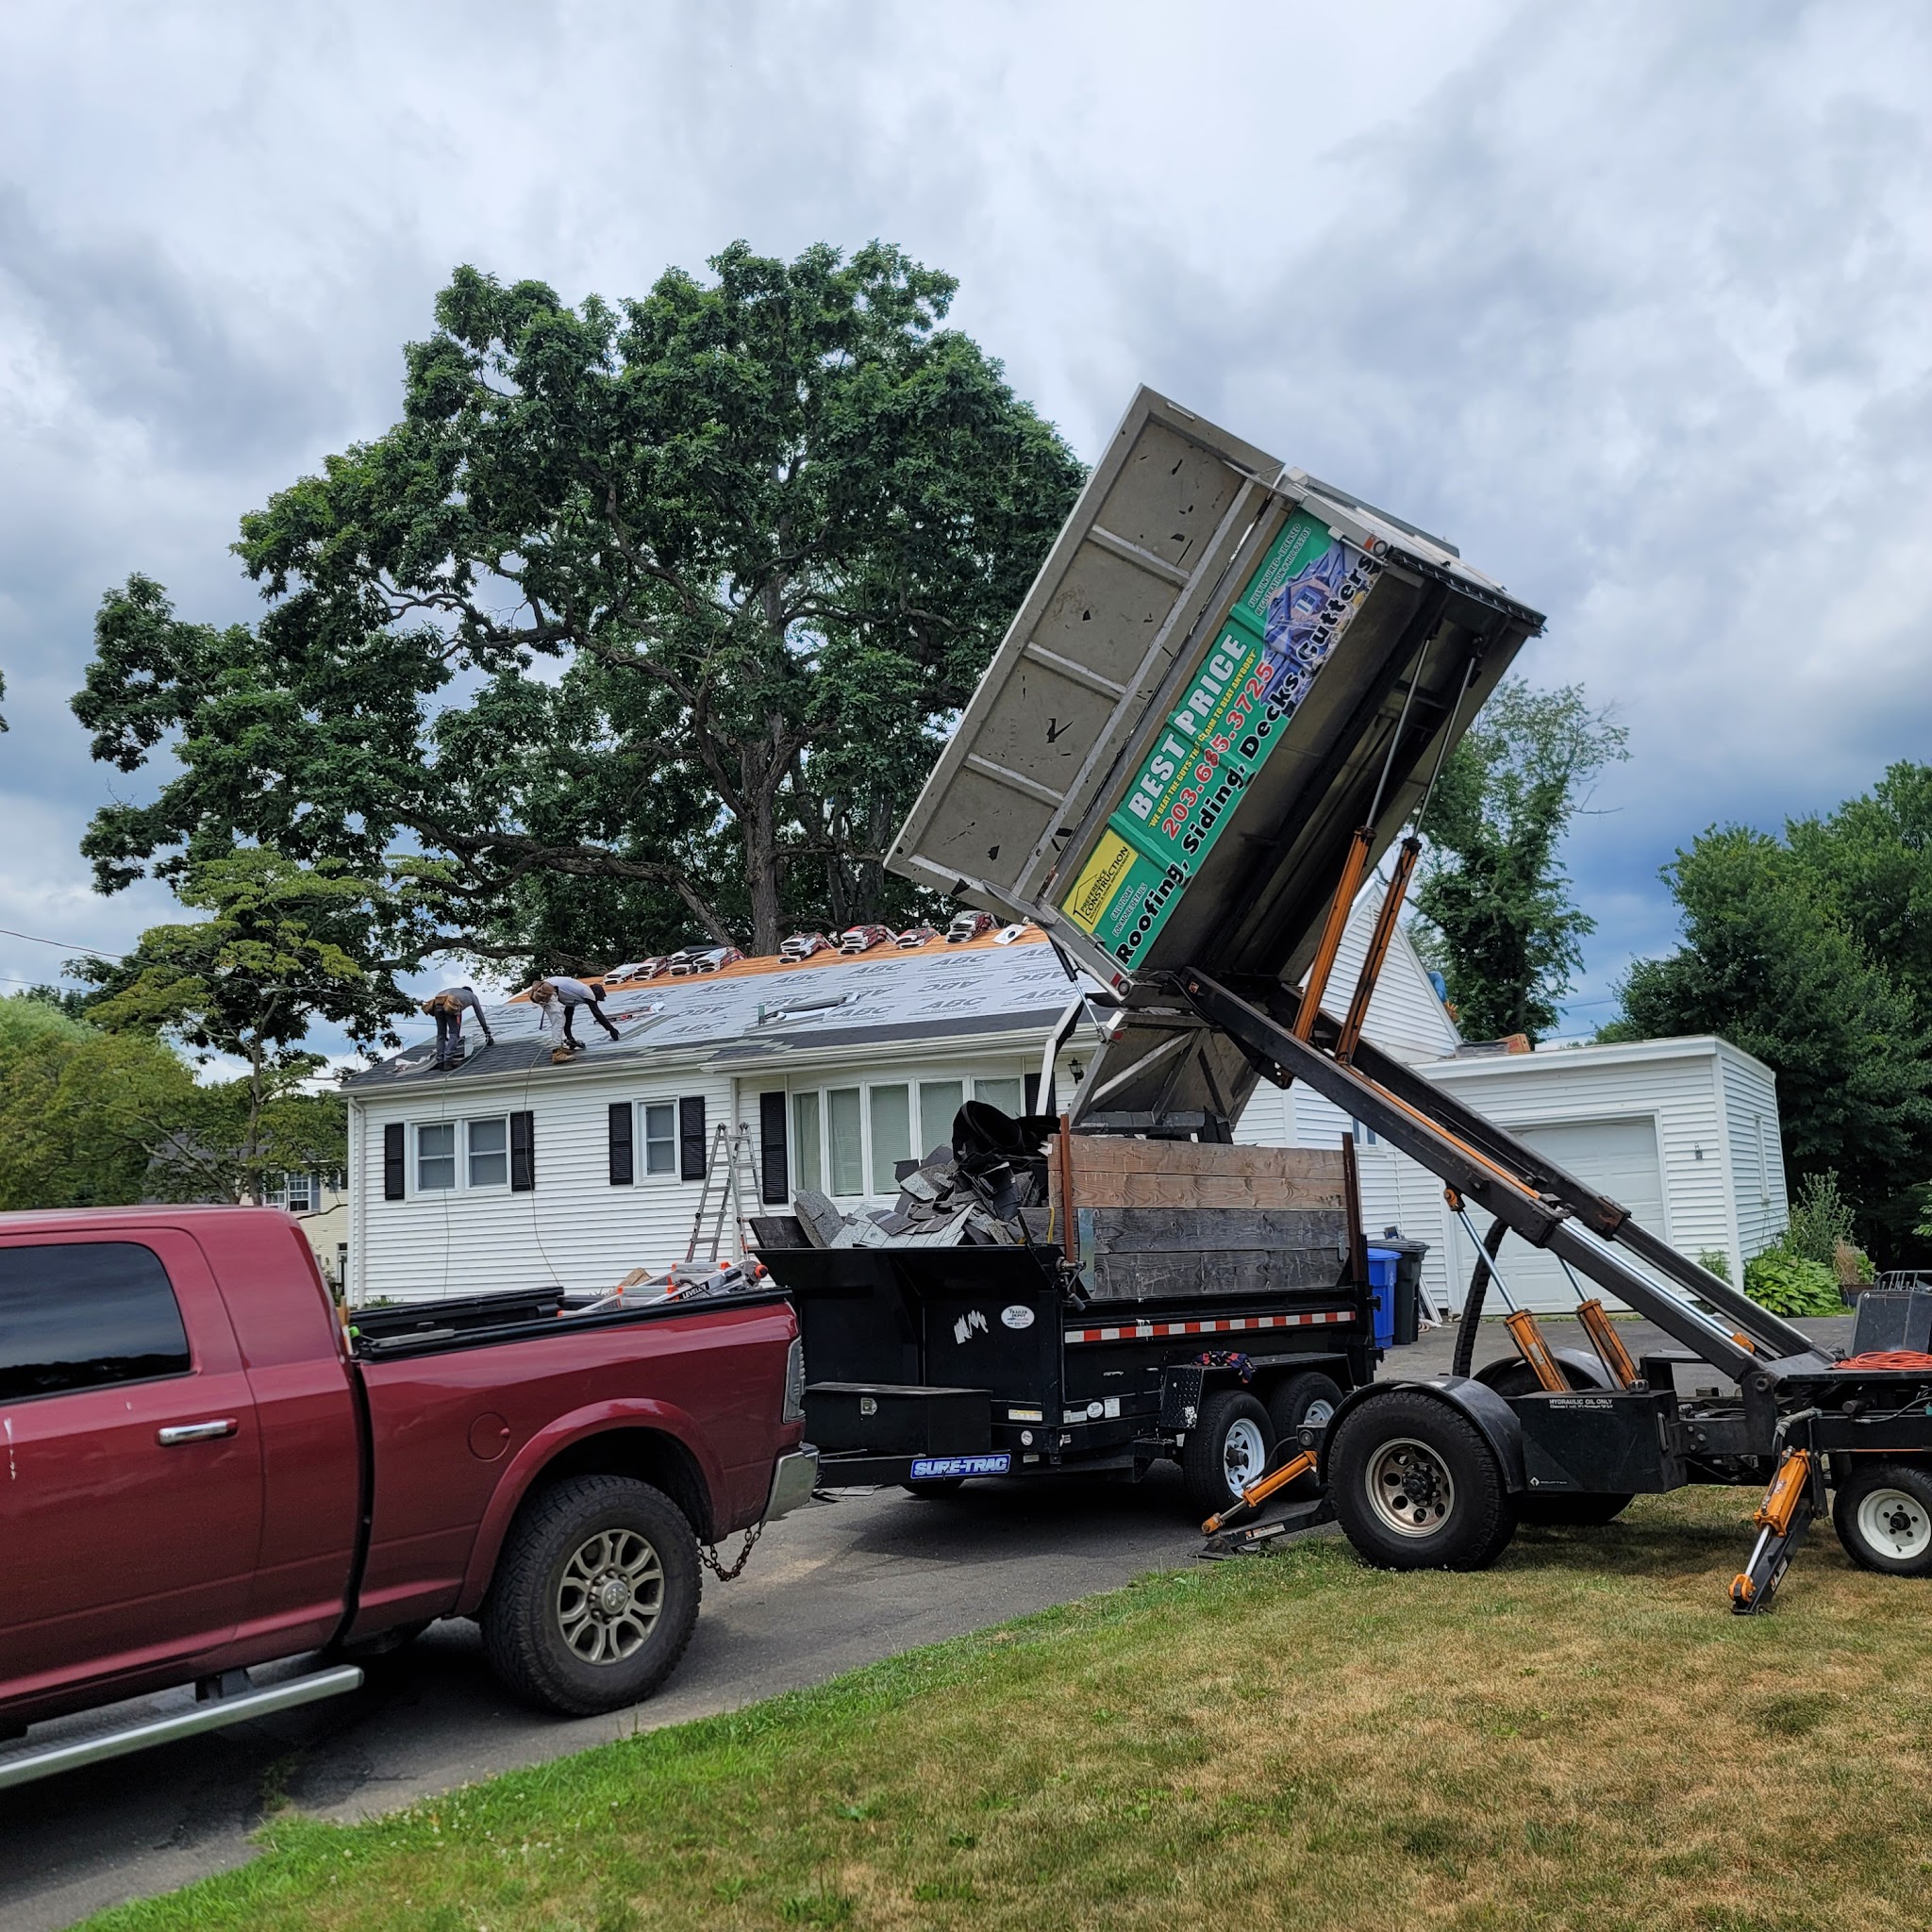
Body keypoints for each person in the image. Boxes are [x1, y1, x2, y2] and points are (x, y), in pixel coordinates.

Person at [529, 974, 622, 1051]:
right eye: (597, 999)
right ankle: (557, 1052)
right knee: (558, 1022)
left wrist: (570, 1038)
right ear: (596, 994)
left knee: (560, 1020)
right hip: (546, 990)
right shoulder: (587, 992)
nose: (596, 1001)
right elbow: (597, 1014)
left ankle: (560, 1046)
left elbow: (568, 1016)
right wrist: (611, 1029)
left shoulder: (574, 995)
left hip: (542, 990)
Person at [424, 985, 496, 1070]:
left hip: (436, 1004)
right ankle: (448, 1060)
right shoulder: (472, 995)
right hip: (452, 1003)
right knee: (454, 1034)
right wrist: (487, 1034)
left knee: (441, 1034)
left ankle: (440, 1061)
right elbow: (480, 1015)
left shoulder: (456, 991)